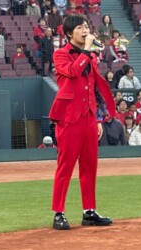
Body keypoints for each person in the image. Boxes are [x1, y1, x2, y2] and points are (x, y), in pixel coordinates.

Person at [49, 14, 116, 231]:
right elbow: (72, 73)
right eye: (80, 27)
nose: (85, 30)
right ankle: (59, 212)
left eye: (86, 26)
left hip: (89, 117)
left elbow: (93, 88)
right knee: (65, 166)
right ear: (69, 33)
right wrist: (87, 51)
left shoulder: (92, 56)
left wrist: (97, 118)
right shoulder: (60, 54)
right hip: (69, 118)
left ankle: (89, 211)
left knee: (89, 166)